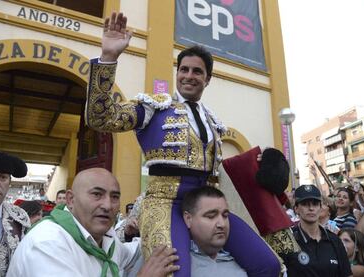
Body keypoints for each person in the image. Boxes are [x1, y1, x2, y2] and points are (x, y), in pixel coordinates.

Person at [85, 11, 280, 277]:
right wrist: (109, 57)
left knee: (268, 264)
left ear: (207, 79)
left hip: (206, 203)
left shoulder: (213, 121)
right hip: (163, 203)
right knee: (175, 273)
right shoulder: (155, 107)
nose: (189, 75)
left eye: (197, 71)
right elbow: (101, 118)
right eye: (184, 69)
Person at [7, 167, 179, 277]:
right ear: (70, 199)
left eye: (115, 197)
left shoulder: (105, 240)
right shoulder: (47, 242)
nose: (107, 205)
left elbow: (132, 253)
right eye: (97, 194)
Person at [282, 184, 352, 277]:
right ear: (296, 209)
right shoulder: (288, 241)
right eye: (305, 204)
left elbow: (347, 274)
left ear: (320, 207)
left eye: (315, 204)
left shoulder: (334, 240)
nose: (311, 208)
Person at [182, 186, 248, 276]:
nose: (222, 224)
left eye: (225, 216)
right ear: (188, 219)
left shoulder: (245, 263)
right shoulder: (179, 265)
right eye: (211, 216)